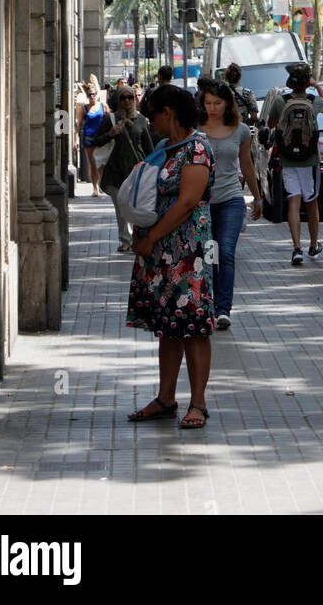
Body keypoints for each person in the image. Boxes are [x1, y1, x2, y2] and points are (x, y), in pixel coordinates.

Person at [127, 85, 216, 429]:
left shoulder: (197, 149)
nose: (149, 121)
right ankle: (166, 398)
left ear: (168, 112)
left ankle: (198, 403)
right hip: (161, 252)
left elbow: (187, 202)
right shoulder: (166, 148)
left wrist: (152, 237)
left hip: (187, 253)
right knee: (169, 327)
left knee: (193, 327)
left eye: (152, 114)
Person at [201, 80, 262, 327]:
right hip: (201, 202)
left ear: (227, 104)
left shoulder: (240, 130)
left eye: (217, 103)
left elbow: (246, 165)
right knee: (208, 255)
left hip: (231, 199)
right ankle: (208, 303)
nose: (212, 108)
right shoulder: (194, 128)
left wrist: (257, 198)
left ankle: (222, 309)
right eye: (207, 103)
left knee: (225, 251)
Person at [266, 62, 323, 265]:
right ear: (306, 82)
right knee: (311, 202)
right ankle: (313, 244)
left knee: (293, 202)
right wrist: (317, 86)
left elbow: (271, 124)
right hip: (310, 160)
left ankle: (296, 248)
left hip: (287, 159)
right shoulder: (314, 101)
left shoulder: (280, 101)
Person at [100, 86, 154, 252]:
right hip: (116, 170)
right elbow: (95, 141)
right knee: (121, 206)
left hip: (137, 171)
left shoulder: (141, 120)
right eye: (123, 98)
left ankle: (137, 238)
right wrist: (110, 133)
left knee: (136, 207)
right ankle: (125, 240)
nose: (127, 101)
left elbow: (149, 148)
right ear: (118, 100)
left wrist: (151, 169)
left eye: (130, 97)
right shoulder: (110, 119)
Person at [79, 81, 110, 196]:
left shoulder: (103, 106)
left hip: (101, 137)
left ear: (97, 94)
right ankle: (94, 188)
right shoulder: (84, 108)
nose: (91, 96)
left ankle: (101, 184)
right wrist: (76, 139)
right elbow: (78, 126)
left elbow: (110, 119)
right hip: (89, 137)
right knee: (92, 163)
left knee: (101, 163)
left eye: (93, 94)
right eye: (89, 95)